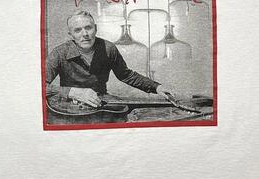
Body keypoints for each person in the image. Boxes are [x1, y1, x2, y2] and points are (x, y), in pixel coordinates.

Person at [45, 10, 177, 107]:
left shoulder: (108, 48)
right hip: (68, 106)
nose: (85, 34)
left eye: (88, 28)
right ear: (71, 34)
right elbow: (40, 87)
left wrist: (157, 87)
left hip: (102, 103)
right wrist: (72, 92)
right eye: (77, 30)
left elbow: (126, 75)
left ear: (95, 29)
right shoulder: (59, 53)